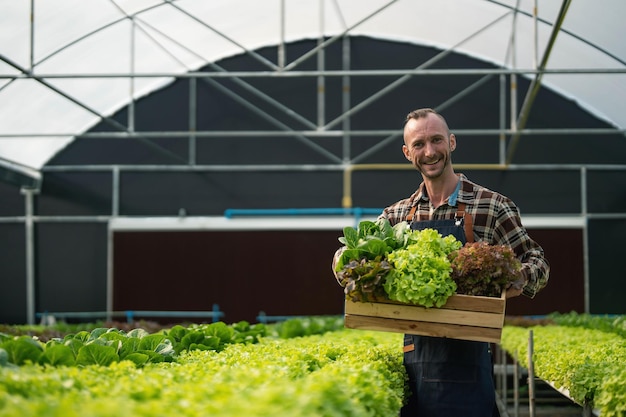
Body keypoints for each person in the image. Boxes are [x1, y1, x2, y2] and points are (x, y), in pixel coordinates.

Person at [332, 108, 549, 416]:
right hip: (414, 364)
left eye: (436, 140)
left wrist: (504, 283)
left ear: (452, 142)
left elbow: (538, 264)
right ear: (408, 153)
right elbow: (348, 256)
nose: (429, 151)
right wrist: (350, 267)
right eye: (419, 144)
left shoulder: (492, 206)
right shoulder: (397, 216)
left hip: (470, 365)